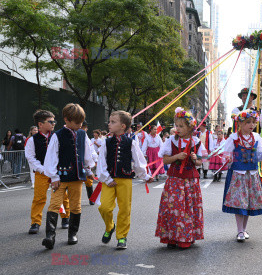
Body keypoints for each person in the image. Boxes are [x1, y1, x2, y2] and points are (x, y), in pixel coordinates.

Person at [42, 103, 95, 249]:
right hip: (60, 177)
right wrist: (53, 177)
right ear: (66, 119)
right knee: (54, 204)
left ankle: (72, 234)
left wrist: (89, 171)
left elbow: (86, 155)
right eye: (77, 122)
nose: (80, 125)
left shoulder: (83, 134)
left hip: (77, 177)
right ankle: (50, 236)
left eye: (81, 122)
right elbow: (52, 157)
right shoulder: (57, 135)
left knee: (76, 205)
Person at [97, 111, 153, 249]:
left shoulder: (131, 143)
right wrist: (106, 178)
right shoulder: (106, 142)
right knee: (104, 207)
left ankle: (122, 236)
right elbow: (101, 163)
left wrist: (145, 176)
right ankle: (110, 227)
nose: (109, 124)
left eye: (112, 122)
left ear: (122, 126)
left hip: (125, 179)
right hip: (109, 180)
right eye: (109, 121)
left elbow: (139, 162)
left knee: (124, 209)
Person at [155, 107, 205, 249]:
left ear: (190, 127)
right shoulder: (171, 140)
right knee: (173, 207)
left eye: (181, 126)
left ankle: (186, 237)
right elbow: (165, 160)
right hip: (175, 179)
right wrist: (176, 157)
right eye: (176, 125)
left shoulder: (196, 142)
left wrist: (195, 159)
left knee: (188, 208)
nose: (177, 128)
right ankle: (171, 237)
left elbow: (200, 162)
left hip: (190, 180)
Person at [222, 109, 262, 242]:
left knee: (248, 203)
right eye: (248, 122)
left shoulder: (256, 137)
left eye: (253, 122)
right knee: (240, 203)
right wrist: (228, 158)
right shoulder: (233, 137)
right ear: (240, 124)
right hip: (238, 175)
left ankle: (244, 230)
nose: (251, 125)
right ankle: (239, 230)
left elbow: (259, 156)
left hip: (252, 174)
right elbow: (226, 154)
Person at [25, 110, 71, 234]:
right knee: (39, 198)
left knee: (63, 196)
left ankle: (66, 217)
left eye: (54, 121)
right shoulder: (32, 140)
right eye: (50, 121)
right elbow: (30, 157)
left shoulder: (57, 136)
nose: (54, 123)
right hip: (41, 173)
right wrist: (43, 169)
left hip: (57, 172)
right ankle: (35, 222)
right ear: (40, 124)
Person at [81, 121, 96, 205]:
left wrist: (95, 160)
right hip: (79, 163)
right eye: (85, 127)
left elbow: (91, 150)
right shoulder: (79, 135)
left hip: (86, 163)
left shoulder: (86, 137)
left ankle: (91, 198)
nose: (86, 129)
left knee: (89, 182)